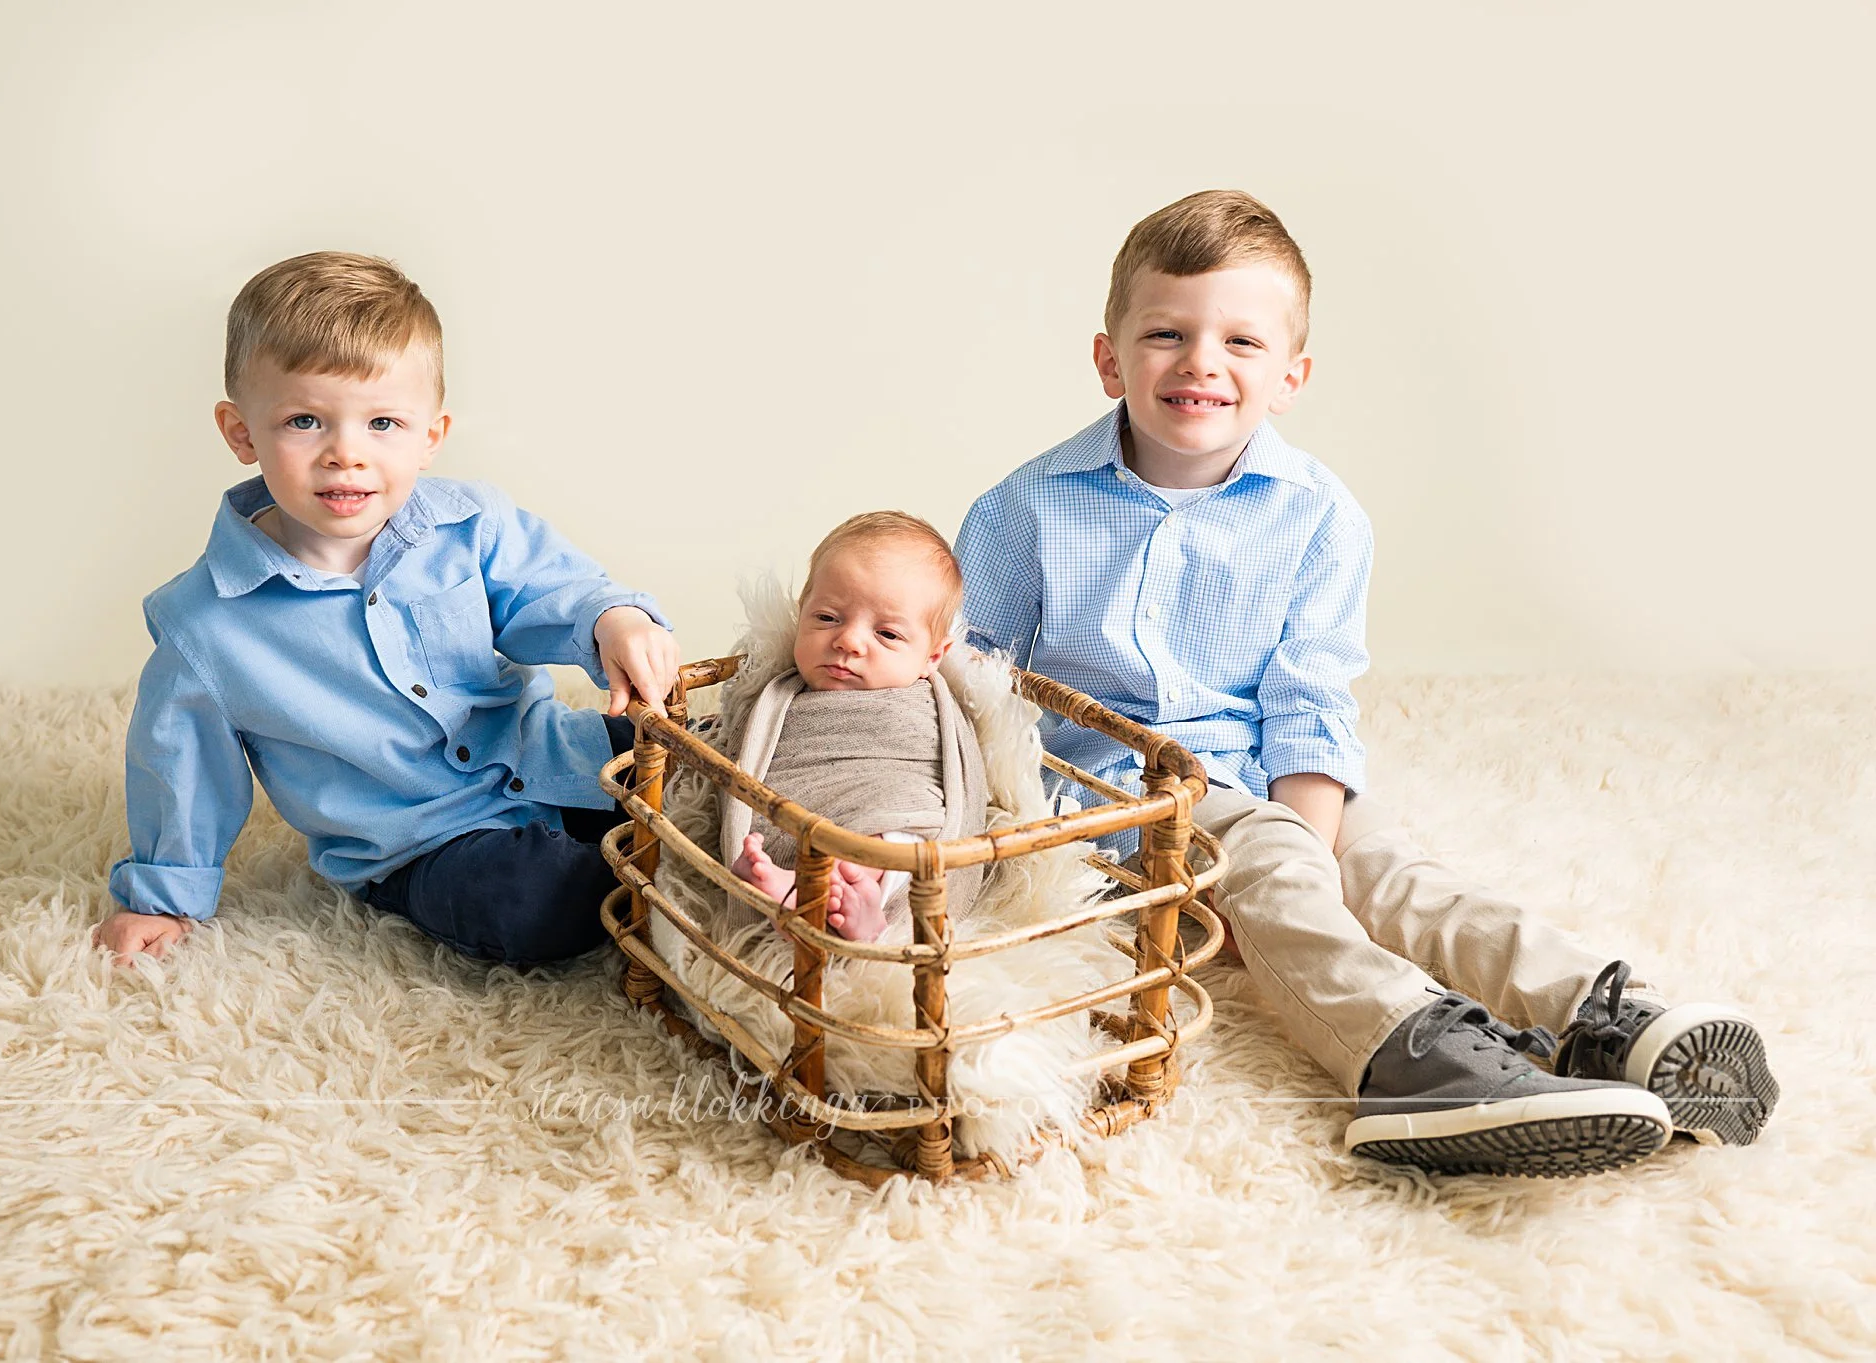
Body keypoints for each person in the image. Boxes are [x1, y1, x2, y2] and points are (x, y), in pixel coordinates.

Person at [954, 191, 1778, 1177]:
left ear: (1290, 375)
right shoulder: (1024, 509)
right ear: (1108, 358)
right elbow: (970, 683)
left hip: (1265, 773)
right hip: (1116, 800)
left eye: (1240, 342)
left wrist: (1315, 833)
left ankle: (1600, 1013)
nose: (1199, 362)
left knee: (1390, 873)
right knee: (1265, 864)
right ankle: (1404, 1053)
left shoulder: (1318, 517)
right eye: (1164, 333)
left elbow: (1309, 694)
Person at [96, 252, 679, 968]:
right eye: (305, 421)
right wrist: (162, 895)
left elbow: (548, 587)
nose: (347, 454)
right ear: (241, 432)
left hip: (549, 755)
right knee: (534, 904)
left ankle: (721, 846)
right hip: (422, 841)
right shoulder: (208, 628)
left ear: (430, 436)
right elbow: (180, 767)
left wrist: (613, 618)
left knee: (695, 757)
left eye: (383, 423)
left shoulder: (468, 525)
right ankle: (653, 883)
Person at [727, 513, 989, 942]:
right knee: (762, 824)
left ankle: (855, 899)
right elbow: (742, 755)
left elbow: (953, 783)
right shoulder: (781, 696)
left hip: (889, 821)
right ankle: (785, 882)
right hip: (799, 824)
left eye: (886, 633)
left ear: (932, 657)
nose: (849, 641)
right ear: (801, 613)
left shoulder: (928, 706)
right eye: (827, 618)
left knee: (899, 832)